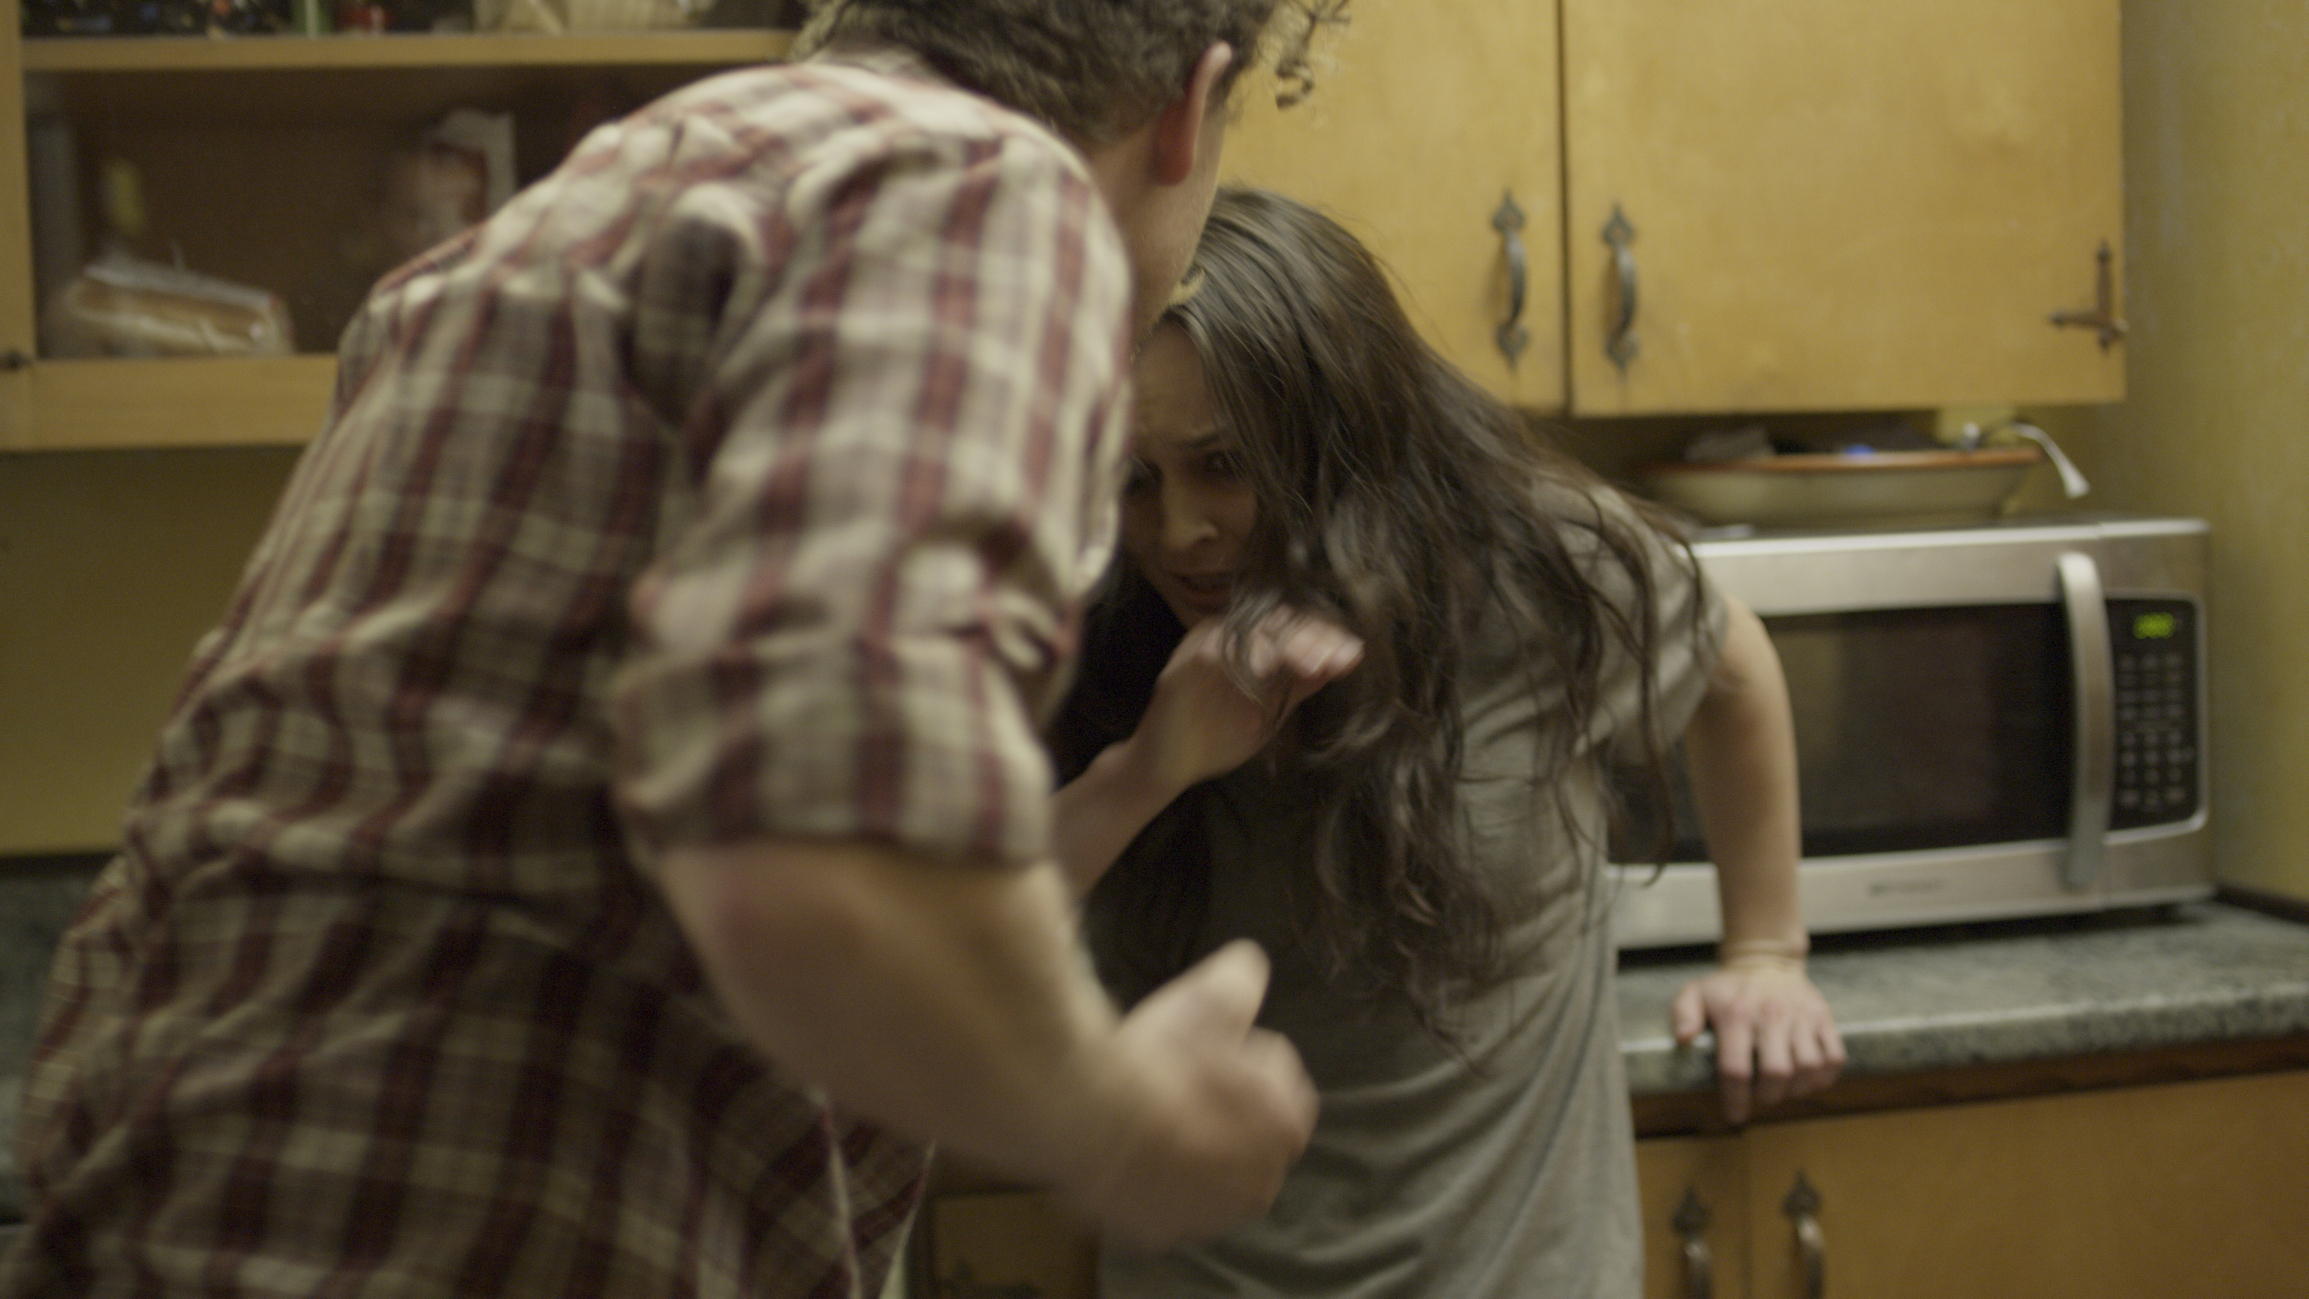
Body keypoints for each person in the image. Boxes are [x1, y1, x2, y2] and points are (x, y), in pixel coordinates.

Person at [1, 8, 1353, 1297]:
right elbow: (824, 846)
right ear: (1187, 106)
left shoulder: (540, 233)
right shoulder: (976, 186)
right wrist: (1117, 1118)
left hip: (162, 1202)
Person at [1047, 186, 1846, 1298]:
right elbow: (955, 935)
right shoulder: (1082, 614)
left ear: (1341, 436)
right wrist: (1146, 769)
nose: (1177, 529)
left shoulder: (1533, 567)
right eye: (1133, 478)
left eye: (1224, 464)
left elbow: (1732, 661)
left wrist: (1765, 953)